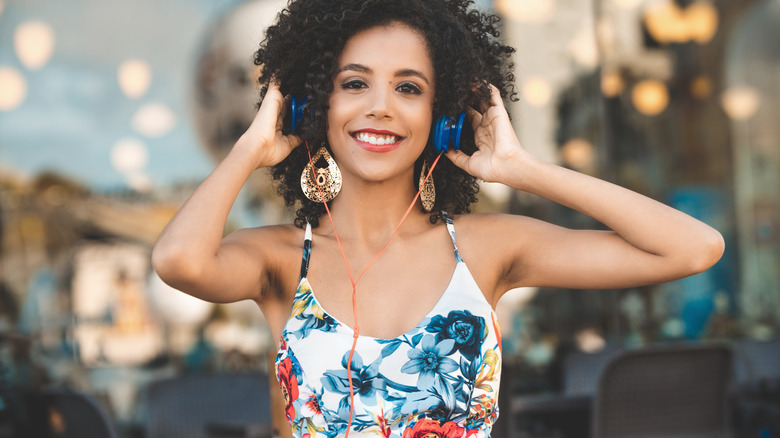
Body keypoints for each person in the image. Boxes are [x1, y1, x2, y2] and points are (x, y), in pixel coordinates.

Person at [152, 0, 725, 436]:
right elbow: (178, 261)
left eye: (408, 87)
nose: (380, 105)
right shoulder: (278, 259)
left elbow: (692, 248)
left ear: (442, 116)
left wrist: (522, 169)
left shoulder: (484, 250)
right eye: (354, 83)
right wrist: (251, 148)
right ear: (311, 106)